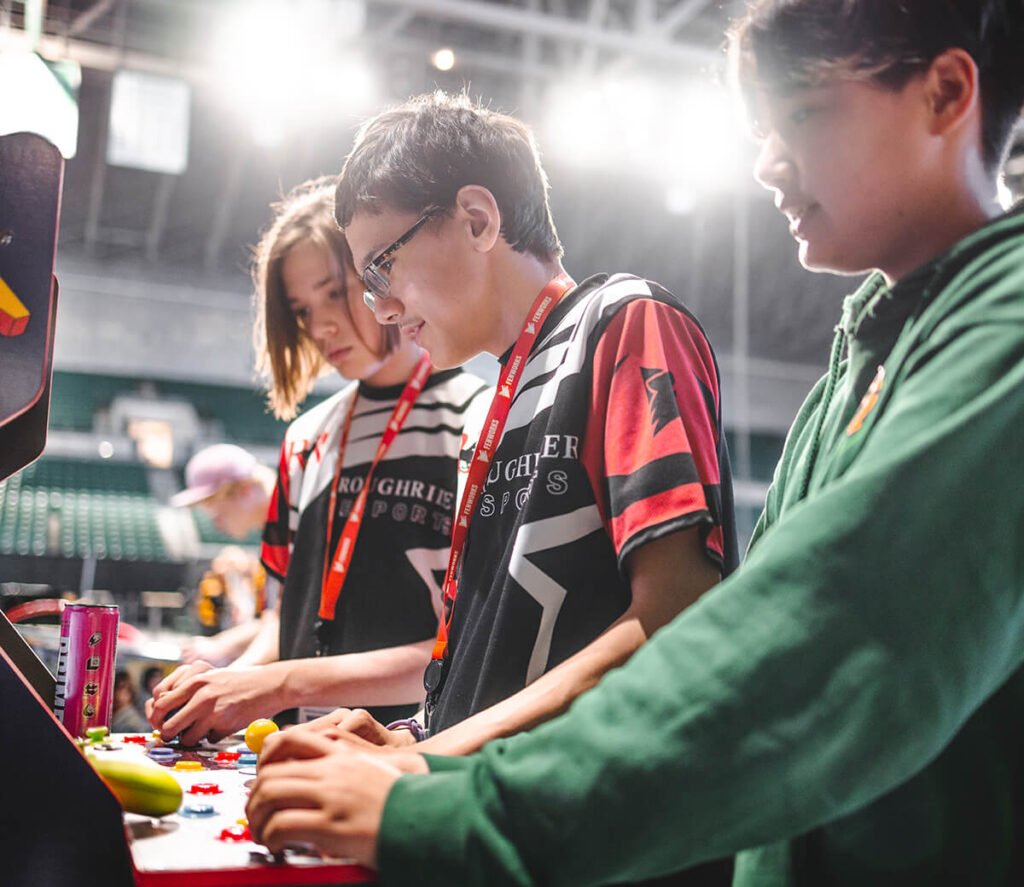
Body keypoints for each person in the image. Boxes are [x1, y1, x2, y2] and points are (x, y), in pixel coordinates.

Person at [246, 2, 1024, 885]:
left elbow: (805, 645)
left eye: (800, 116)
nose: (767, 164)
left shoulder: (1004, 324)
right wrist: (430, 744)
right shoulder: (854, 365)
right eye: (759, 130)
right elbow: (732, 645)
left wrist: (446, 795)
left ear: (947, 93)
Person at [253, 92, 738, 884]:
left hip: (608, 848)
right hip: (508, 832)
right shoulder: (495, 403)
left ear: (478, 220)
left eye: (382, 265)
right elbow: (509, 655)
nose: (379, 307)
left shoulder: (625, 322)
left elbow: (674, 618)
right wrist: (411, 735)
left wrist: (424, 764)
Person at [147, 177, 489, 746]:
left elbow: (464, 649)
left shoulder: (478, 421)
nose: (320, 325)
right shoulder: (306, 436)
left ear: (382, 272)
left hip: (408, 754)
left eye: (336, 291)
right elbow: (289, 621)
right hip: (289, 749)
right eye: (302, 308)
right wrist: (223, 685)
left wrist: (280, 684)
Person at [168, 443, 279, 667]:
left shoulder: (292, 528)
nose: (214, 521)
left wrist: (226, 657)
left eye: (212, 505)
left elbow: (288, 621)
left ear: (244, 490)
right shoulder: (275, 533)